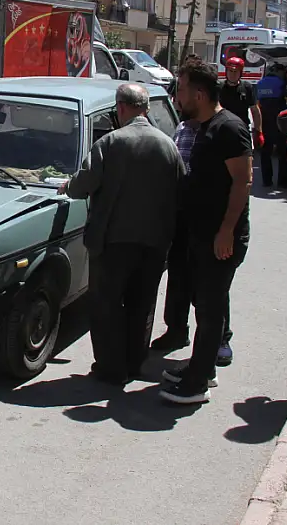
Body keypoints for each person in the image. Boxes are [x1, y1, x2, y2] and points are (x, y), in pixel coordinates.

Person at [60, 84, 186, 384]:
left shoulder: (111, 142)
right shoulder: (168, 145)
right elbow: (182, 189)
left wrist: (68, 185)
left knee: (106, 305)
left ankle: (109, 367)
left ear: (121, 108)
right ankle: (133, 363)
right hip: (154, 243)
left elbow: (83, 184)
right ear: (146, 108)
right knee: (141, 305)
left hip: (112, 242)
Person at [161, 60, 253, 405]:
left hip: (221, 236)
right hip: (200, 232)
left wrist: (227, 230)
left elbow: (243, 182)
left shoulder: (228, 127)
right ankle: (201, 368)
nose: (177, 95)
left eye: (181, 89)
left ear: (199, 94)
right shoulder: (200, 126)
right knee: (204, 306)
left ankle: (197, 384)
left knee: (211, 311)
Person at [150, 116, 198, 352]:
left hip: (204, 218)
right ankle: (176, 330)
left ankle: (220, 340)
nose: (178, 100)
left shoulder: (222, 129)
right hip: (179, 215)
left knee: (208, 284)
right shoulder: (182, 128)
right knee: (178, 276)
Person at [255, 62, 287, 188]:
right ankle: (283, 181)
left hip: (264, 121)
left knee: (265, 152)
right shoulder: (281, 83)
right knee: (283, 151)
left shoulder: (260, 83)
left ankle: (267, 181)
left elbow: (256, 103)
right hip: (279, 122)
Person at [219, 56, 263, 149]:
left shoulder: (247, 87)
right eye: (230, 71)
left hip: (241, 130)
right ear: (226, 71)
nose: (232, 74)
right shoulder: (219, 87)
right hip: (222, 130)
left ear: (240, 73)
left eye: (235, 72)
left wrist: (259, 132)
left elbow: (255, 110)